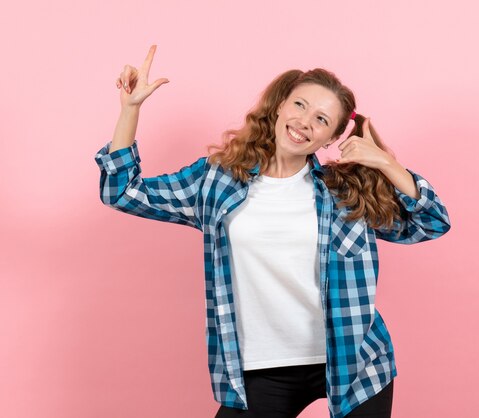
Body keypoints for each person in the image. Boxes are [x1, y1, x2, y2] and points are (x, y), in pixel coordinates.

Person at [94, 45, 451, 418]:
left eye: (321, 120)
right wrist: (130, 110)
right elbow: (122, 192)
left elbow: (431, 222)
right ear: (280, 106)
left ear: (329, 139)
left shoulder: (342, 193)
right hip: (262, 366)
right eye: (300, 106)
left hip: (352, 361)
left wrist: (385, 162)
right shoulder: (218, 180)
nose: (304, 123)